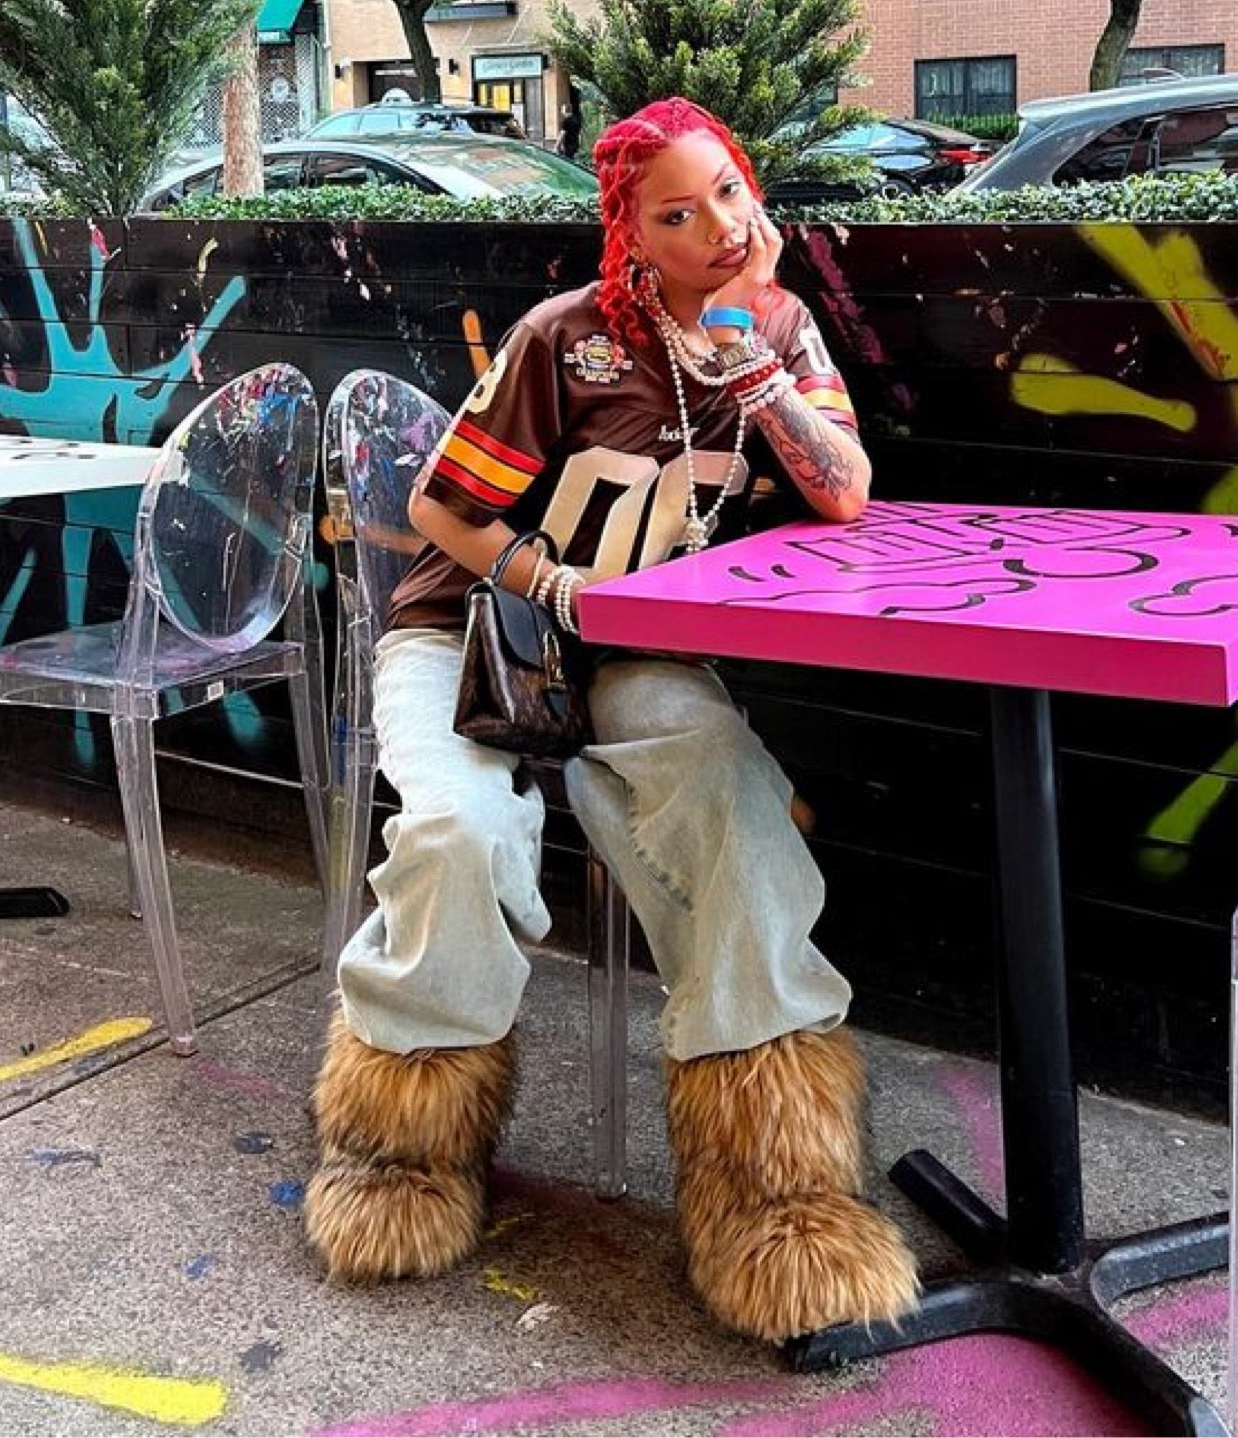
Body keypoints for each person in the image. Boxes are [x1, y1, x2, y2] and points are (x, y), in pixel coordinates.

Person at [305, 97, 918, 1344]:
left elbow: (846, 493)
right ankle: (401, 1149)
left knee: (738, 812)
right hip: (470, 630)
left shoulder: (779, 327)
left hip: (635, 649)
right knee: (458, 831)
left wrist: (752, 363)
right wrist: (549, 584)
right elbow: (439, 509)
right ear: (631, 235)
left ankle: (776, 1190)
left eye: (729, 193)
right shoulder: (565, 337)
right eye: (677, 213)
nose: (717, 227)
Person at [556, 94, 583, 162]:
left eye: (562, 109)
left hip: (568, 147)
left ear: (565, 110)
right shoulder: (577, 120)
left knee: (567, 162)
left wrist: (557, 146)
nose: (561, 111)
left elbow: (562, 134)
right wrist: (579, 145)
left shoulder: (566, 121)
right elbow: (580, 134)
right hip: (575, 146)